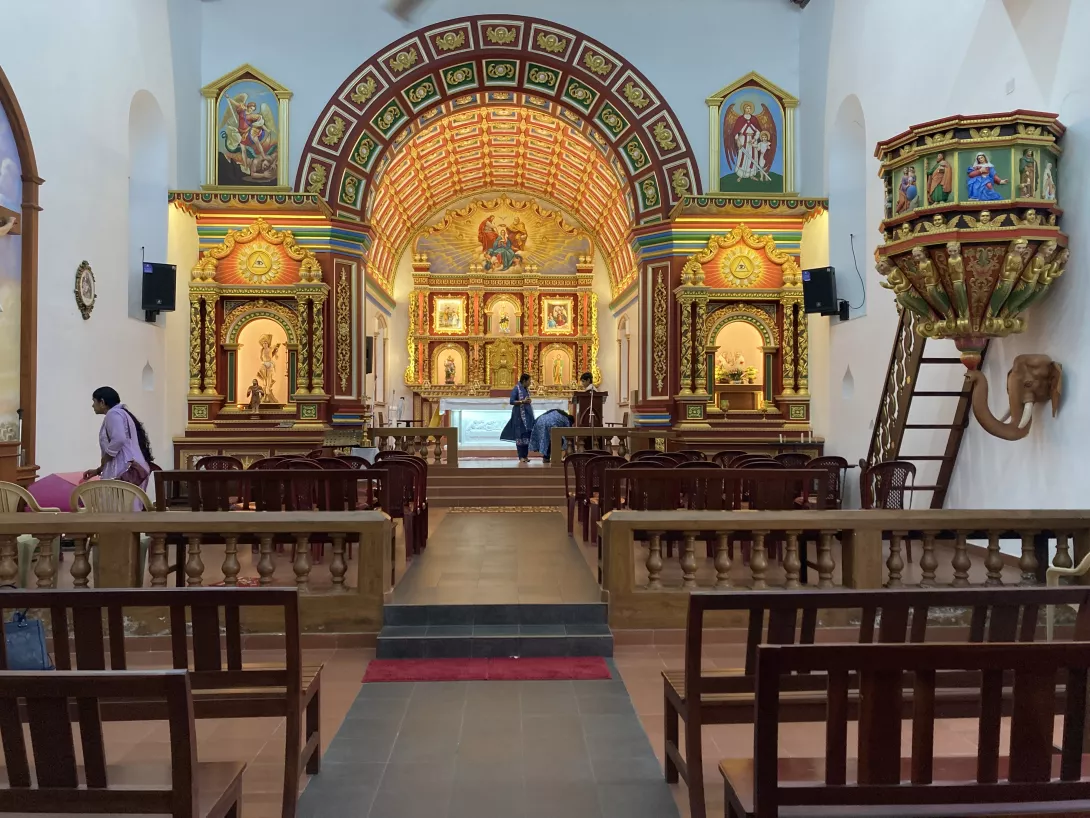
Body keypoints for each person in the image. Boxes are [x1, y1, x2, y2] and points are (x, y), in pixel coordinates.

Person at [82, 387, 153, 492]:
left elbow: (119, 439)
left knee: (119, 507)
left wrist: (106, 458)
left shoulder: (113, 414)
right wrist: (99, 470)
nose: (93, 405)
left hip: (125, 471)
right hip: (135, 470)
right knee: (131, 506)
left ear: (102, 402)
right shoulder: (122, 413)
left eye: (94, 401)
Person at [500, 373, 535, 464]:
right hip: (519, 416)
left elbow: (526, 400)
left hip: (527, 416)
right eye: (529, 381)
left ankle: (525, 456)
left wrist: (528, 401)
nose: (530, 383)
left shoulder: (525, 389)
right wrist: (522, 401)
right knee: (520, 436)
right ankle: (521, 456)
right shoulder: (516, 388)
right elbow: (511, 401)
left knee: (527, 435)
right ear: (524, 380)